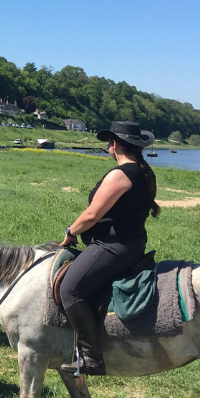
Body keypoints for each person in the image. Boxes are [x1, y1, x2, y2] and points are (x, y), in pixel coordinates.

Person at [58, 121, 161, 376]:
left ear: (115, 145)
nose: (108, 146)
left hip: (113, 246)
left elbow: (92, 215)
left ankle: (92, 358)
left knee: (70, 289)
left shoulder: (120, 174)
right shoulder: (142, 171)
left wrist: (71, 231)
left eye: (109, 142)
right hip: (132, 243)